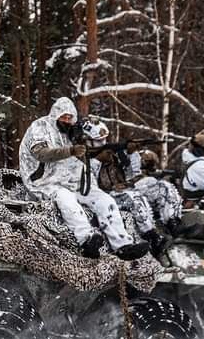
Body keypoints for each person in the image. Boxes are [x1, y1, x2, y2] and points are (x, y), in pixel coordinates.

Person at [18, 97, 148, 260]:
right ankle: (87, 240)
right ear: (55, 114)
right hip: (43, 181)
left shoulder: (70, 133)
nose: (66, 120)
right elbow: (41, 154)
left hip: (69, 180)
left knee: (104, 200)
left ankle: (122, 245)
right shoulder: (40, 127)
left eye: (69, 118)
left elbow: (89, 151)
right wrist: (70, 151)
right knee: (67, 199)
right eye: (63, 117)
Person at [84, 120, 169, 257]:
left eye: (105, 139)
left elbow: (130, 174)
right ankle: (151, 236)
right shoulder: (83, 158)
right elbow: (89, 186)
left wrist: (131, 153)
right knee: (133, 198)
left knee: (161, 186)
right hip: (102, 197)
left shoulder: (112, 154)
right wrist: (98, 160)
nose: (103, 143)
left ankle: (172, 224)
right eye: (99, 141)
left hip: (122, 190)